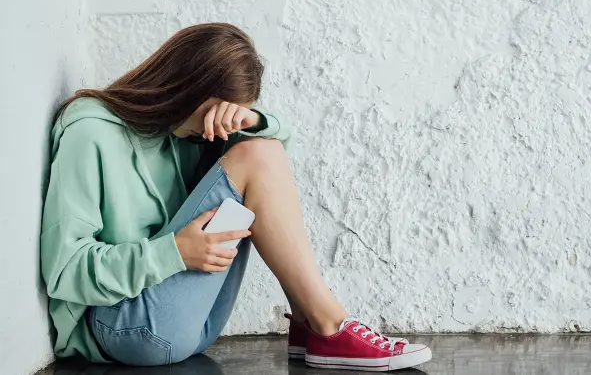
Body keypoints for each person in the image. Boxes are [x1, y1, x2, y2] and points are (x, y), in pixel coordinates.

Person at [41, 23, 432, 371]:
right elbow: (64, 269)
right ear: (185, 89)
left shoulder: (182, 134)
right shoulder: (90, 132)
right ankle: (327, 326)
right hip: (123, 328)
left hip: (193, 325)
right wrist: (173, 252)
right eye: (213, 116)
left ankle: (311, 322)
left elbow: (275, 157)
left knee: (263, 149)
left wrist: (255, 121)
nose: (212, 133)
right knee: (257, 154)